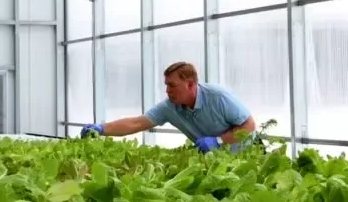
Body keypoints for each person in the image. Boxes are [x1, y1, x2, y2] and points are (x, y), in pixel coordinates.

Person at [80, 61, 256, 153]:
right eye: (166, 85)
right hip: (216, 162)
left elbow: (249, 125)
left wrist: (218, 141)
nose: (167, 90)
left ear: (190, 84)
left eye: (172, 86)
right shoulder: (170, 107)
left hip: (246, 158)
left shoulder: (218, 97)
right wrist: (101, 129)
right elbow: (136, 123)